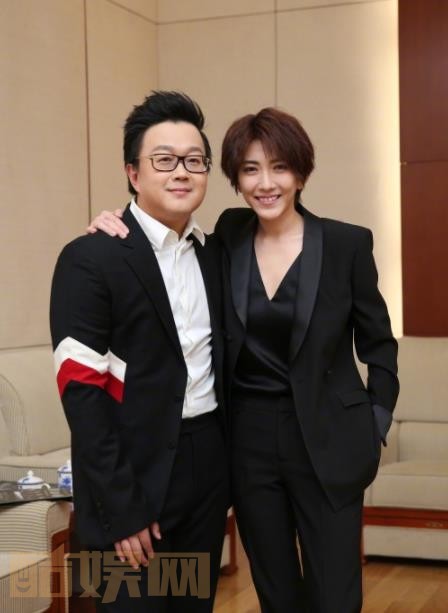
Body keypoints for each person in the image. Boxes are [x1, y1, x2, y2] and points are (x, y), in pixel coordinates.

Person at [89, 106, 399, 612]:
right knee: (275, 590)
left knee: (336, 595)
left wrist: (374, 422)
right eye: (251, 170)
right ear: (236, 178)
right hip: (248, 442)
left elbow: (380, 345)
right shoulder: (228, 236)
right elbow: (160, 247)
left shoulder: (346, 244)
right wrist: (114, 221)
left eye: (279, 167)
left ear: (301, 173)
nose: (265, 183)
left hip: (330, 437)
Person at [50, 91, 229, 612]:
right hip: (128, 474)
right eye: (164, 160)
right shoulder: (90, 257)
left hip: (205, 468)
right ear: (133, 172)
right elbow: (82, 395)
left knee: (192, 604)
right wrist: (121, 508)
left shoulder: (217, 254)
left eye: (194, 161)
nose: (182, 172)